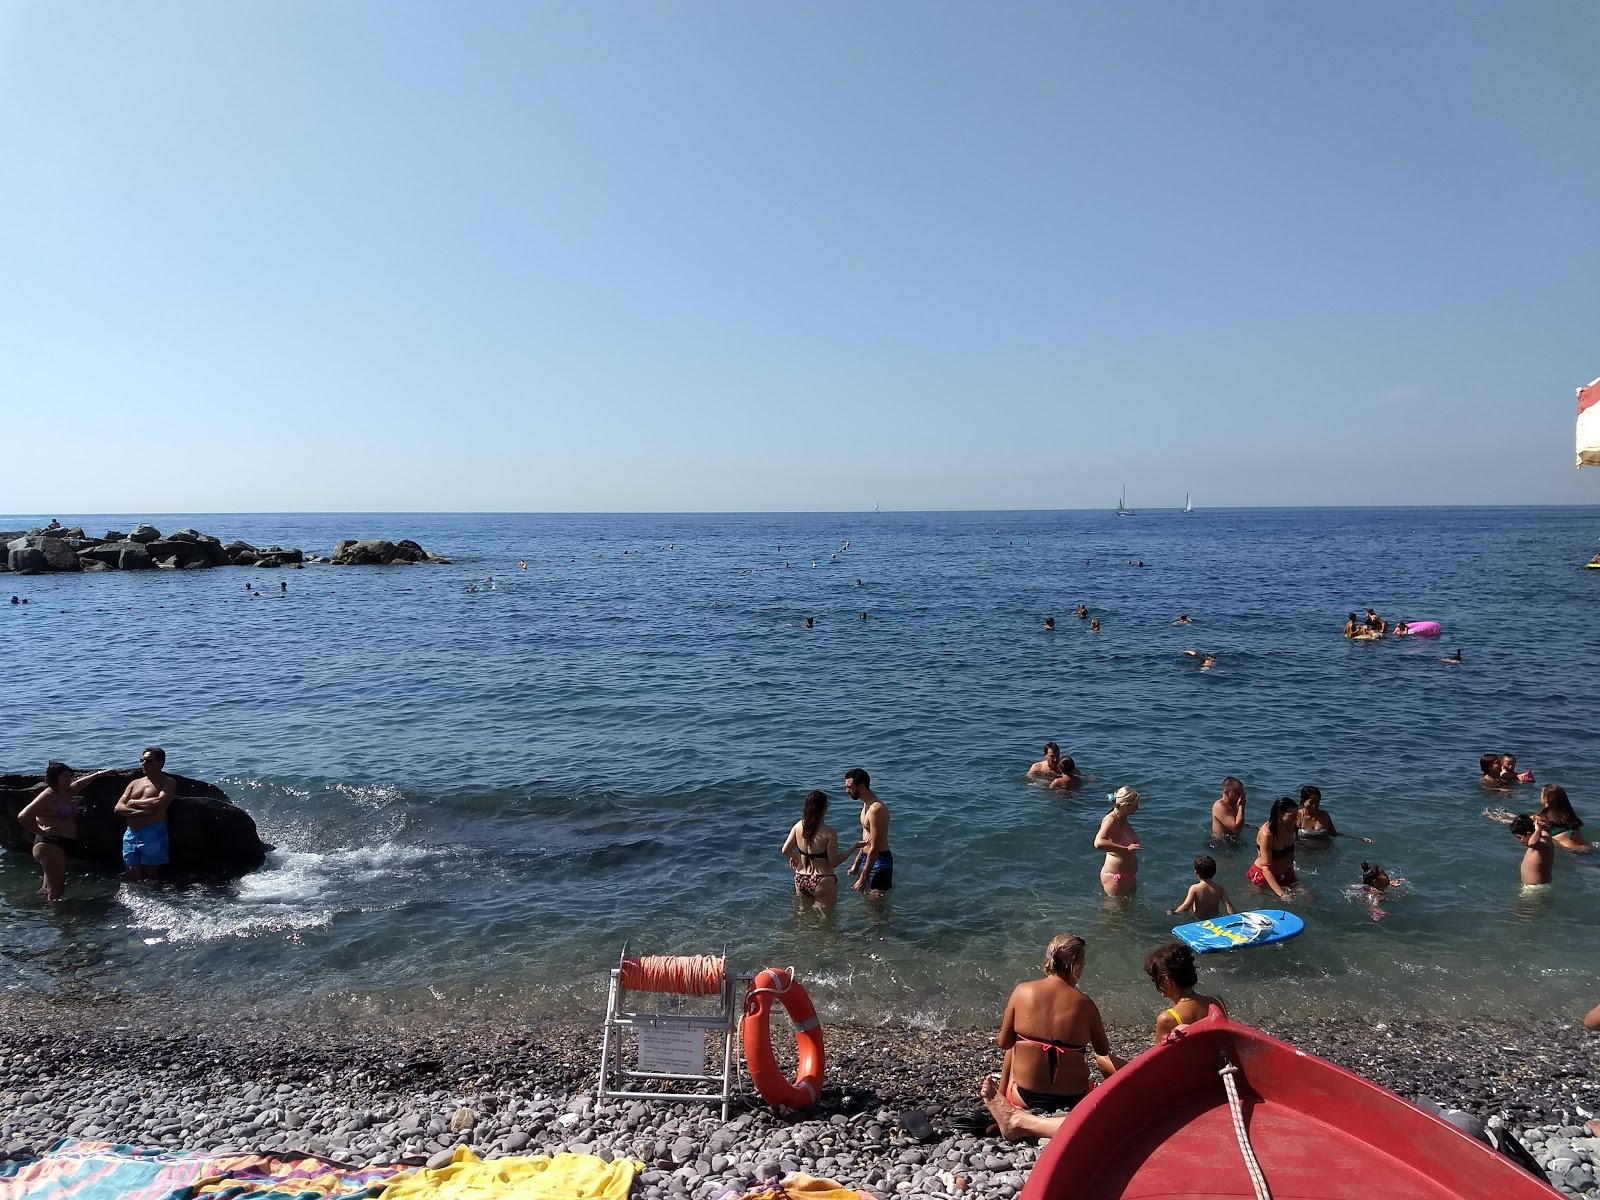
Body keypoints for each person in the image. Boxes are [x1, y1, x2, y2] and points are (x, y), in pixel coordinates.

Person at [992, 935, 1118, 1122]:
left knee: (1015, 1043)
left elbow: (1003, 1042)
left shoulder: (1022, 991)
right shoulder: (1085, 1004)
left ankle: (1000, 1104)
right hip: (1074, 1098)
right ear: (1076, 967)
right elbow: (1102, 1050)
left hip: (1025, 1097)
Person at [17, 761, 115, 901]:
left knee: (47, 887)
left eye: (70, 776)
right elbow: (23, 816)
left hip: (58, 843)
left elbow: (80, 784)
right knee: (57, 888)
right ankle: (58, 918)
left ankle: (40, 913)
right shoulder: (48, 796)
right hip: (50, 843)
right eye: (64, 776)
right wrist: (41, 831)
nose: (69, 779)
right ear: (54, 778)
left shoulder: (65, 791)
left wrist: (99, 774)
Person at [781, 790, 856, 905]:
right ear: (824, 808)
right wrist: (854, 847)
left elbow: (785, 850)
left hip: (800, 878)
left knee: (802, 915)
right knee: (826, 920)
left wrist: (795, 857)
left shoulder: (798, 826)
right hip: (822, 880)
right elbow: (834, 862)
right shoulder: (829, 832)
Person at [114, 747, 176, 882]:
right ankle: (134, 900)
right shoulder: (135, 783)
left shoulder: (168, 782)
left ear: (160, 763)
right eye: (142, 760)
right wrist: (140, 811)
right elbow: (118, 807)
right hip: (131, 833)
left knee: (150, 875)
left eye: (148, 761)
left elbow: (158, 802)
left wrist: (131, 802)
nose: (143, 764)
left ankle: (152, 901)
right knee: (132, 873)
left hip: (153, 831)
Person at [1146, 942, 1229, 1042]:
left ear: (1167, 980)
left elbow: (1158, 1057)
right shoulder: (1216, 1002)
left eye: (1155, 979)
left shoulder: (1167, 1020)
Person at [845, 768, 892, 894]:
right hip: (867, 859)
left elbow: (875, 846)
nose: (847, 791)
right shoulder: (866, 805)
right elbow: (867, 839)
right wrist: (857, 862)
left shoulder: (876, 809)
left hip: (880, 861)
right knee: (868, 904)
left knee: (876, 906)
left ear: (861, 786)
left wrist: (863, 878)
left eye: (850, 787)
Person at [1248, 796, 1301, 899]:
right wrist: (1282, 894)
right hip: (1263, 876)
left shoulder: (1290, 826)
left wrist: (1291, 871)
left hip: (1285, 873)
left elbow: (1290, 854)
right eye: (1292, 815)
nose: (1296, 819)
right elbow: (1266, 868)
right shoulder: (1267, 834)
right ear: (1280, 813)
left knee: (1310, 897)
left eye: (1297, 815)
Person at [1094, 787, 1141, 897]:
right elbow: (1098, 843)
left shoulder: (1123, 819)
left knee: (1130, 912)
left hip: (1128, 875)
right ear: (1126, 805)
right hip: (1115, 876)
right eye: (1135, 805)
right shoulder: (1110, 820)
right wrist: (1126, 849)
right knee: (1115, 914)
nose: (1137, 808)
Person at [1296, 784, 1371, 843]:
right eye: (1311, 802)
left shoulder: (1324, 815)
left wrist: (1358, 839)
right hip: (1305, 852)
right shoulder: (1297, 816)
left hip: (1326, 851)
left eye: (1317, 801)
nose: (1314, 805)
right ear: (1303, 800)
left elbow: (1334, 834)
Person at [1167, 855, 1234, 919]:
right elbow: (1229, 905)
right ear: (1215, 872)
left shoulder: (1195, 888)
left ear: (1196, 872)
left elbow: (1186, 906)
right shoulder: (1219, 888)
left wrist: (1175, 912)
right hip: (1215, 918)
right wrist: (1234, 917)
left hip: (1200, 919)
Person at [1537, 784, 1589, 853]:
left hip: (1574, 852)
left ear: (1546, 799)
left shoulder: (1542, 817)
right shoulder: (1569, 816)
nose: (1540, 796)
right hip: (1588, 849)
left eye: (1541, 794)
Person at [1510, 814, 1553, 887]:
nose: (1520, 841)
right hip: (1534, 887)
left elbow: (1532, 843)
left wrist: (1538, 829)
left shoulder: (1542, 843)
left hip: (1536, 889)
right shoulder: (1544, 835)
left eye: (1520, 837)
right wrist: (1536, 821)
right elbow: (1536, 817)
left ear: (1529, 834)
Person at [1211, 777, 1246, 842]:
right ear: (1226, 793)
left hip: (1231, 840)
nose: (1241, 797)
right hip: (1219, 843)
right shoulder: (1219, 806)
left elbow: (1235, 821)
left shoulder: (1233, 804)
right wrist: (1241, 806)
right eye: (1238, 793)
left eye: (1242, 793)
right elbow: (1236, 829)